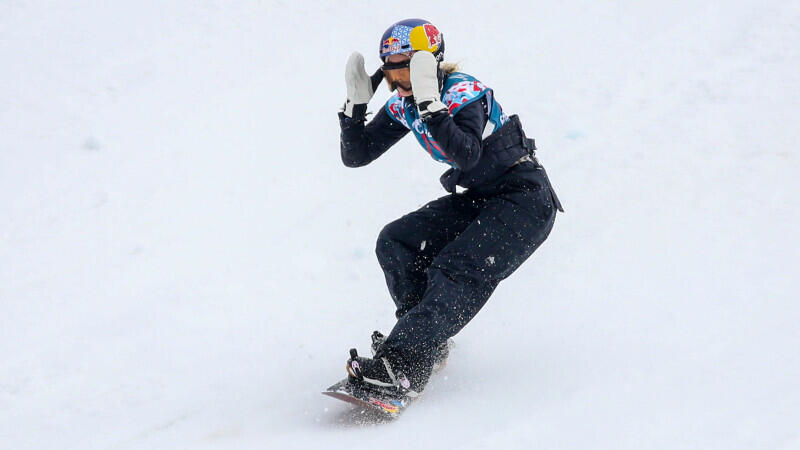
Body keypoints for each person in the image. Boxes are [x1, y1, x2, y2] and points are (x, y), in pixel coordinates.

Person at [338, 18, 563, 398]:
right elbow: (357, 155)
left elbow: (468, 154)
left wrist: (431, 104)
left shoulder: (463, 92)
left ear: (430, 63)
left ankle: (405, 363)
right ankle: (423, 344)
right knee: (397, 241)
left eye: (407, 66)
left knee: (456, 268)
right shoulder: (405, 106)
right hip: (482, 199)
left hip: (524, 200)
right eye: (391, 69)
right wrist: (355, 109)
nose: (400, 78)